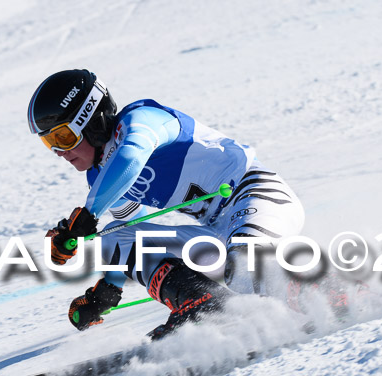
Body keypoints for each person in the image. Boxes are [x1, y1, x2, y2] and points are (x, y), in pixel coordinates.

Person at [28, 69, 307, 339]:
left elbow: (132, 157)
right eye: (49, 142)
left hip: (259, 196)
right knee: (114, 237)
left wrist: (88, 214)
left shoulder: (142, 119)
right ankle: (204, 305)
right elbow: (126, 238)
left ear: (92, 122)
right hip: (217, 235)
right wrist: (106, 292)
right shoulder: (100, 176)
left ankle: (328, 292)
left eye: (63, 137)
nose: (59, 152)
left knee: (244, 268)